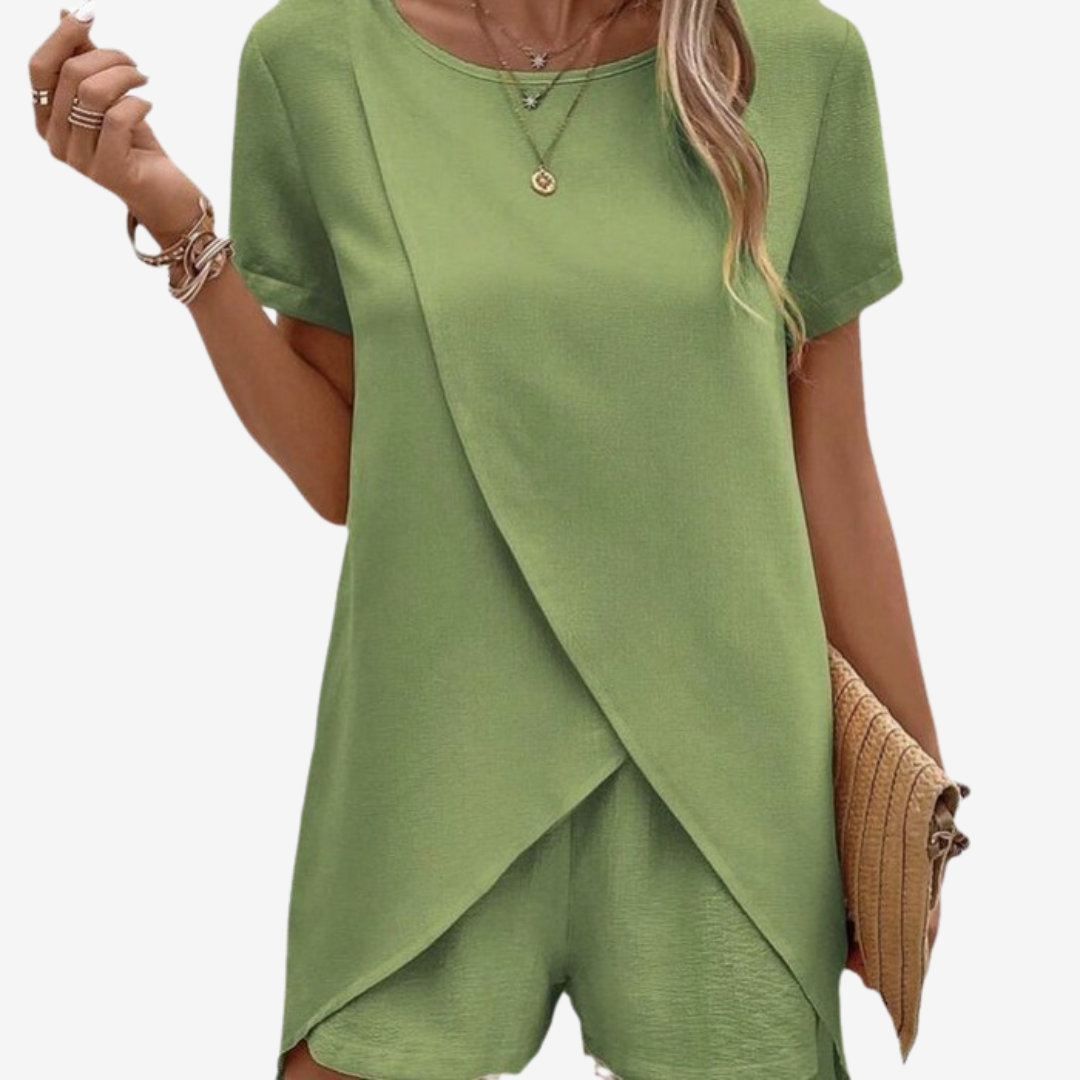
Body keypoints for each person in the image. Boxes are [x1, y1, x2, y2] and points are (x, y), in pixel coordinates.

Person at [29, 1, 951, 1078]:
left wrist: (913, 811)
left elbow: (831, 470)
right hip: (430, 752)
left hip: (726, 778)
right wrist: (180, 226)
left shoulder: (797, 61)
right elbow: (346, 474)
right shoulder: (314, 60)